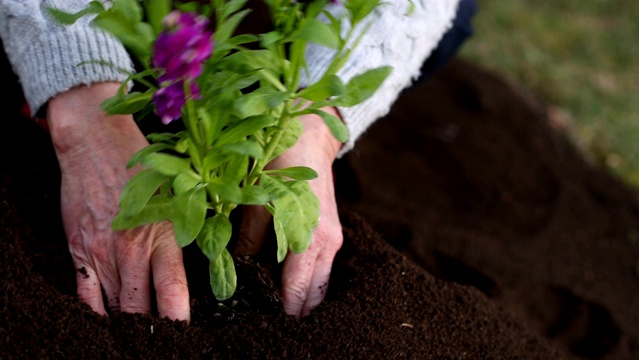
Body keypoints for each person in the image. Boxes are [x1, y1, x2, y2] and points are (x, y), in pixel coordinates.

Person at [0, 0, 475, 322]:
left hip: (244, 60)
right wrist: (84, 114)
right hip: (131, 26)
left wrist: (315, 119)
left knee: (452, 18)